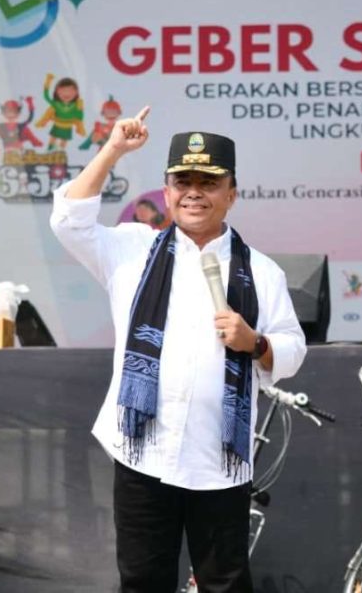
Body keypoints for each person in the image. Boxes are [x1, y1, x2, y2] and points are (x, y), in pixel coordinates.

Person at [50, 107, 307, 592]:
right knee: (143, 580)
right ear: (166, 192)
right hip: (143, 452)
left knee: (225, 584)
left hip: (218, 459)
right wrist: (114, 150)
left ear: (231, 193)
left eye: (208, 182)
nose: (194, 192)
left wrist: (255, 343)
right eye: (182, 180)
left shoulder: (262, 273)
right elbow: (69, 221)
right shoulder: (131, 251)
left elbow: (293, 349)